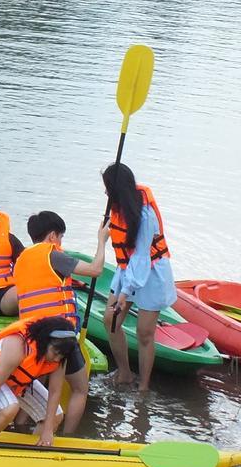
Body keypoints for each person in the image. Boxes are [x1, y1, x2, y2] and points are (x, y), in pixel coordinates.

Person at [12, 210, 108, 434]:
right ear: (53, 235)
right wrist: (101, 241)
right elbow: (96, 270)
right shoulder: (54, 255)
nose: (61, 242)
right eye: (61, 237)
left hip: (32, 334)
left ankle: (19, 427)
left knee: (33, 383)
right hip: (58, 335)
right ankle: (67, 437)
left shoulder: (22, 260)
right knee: (80, 389)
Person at [100, 162, 177, 392]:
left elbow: (142, 257)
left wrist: (125, 293)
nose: (104, 193)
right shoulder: (117, 207)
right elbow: (130, 260)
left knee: (144, 333)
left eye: (107, 188)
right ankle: (124, 372)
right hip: (128, 270)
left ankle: (143, 386)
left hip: (151, 273)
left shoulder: (144, 213)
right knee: (110, 321)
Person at [0, 316, 79, 449]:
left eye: (61, 356)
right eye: (55, 353)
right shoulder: (19, 345)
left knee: (55, 416)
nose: (57, 358)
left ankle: (34, 451)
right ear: (45, 341)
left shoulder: (60, 356)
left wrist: (48, 431)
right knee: (10, 408)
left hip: (15, 379)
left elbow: (55, 392)